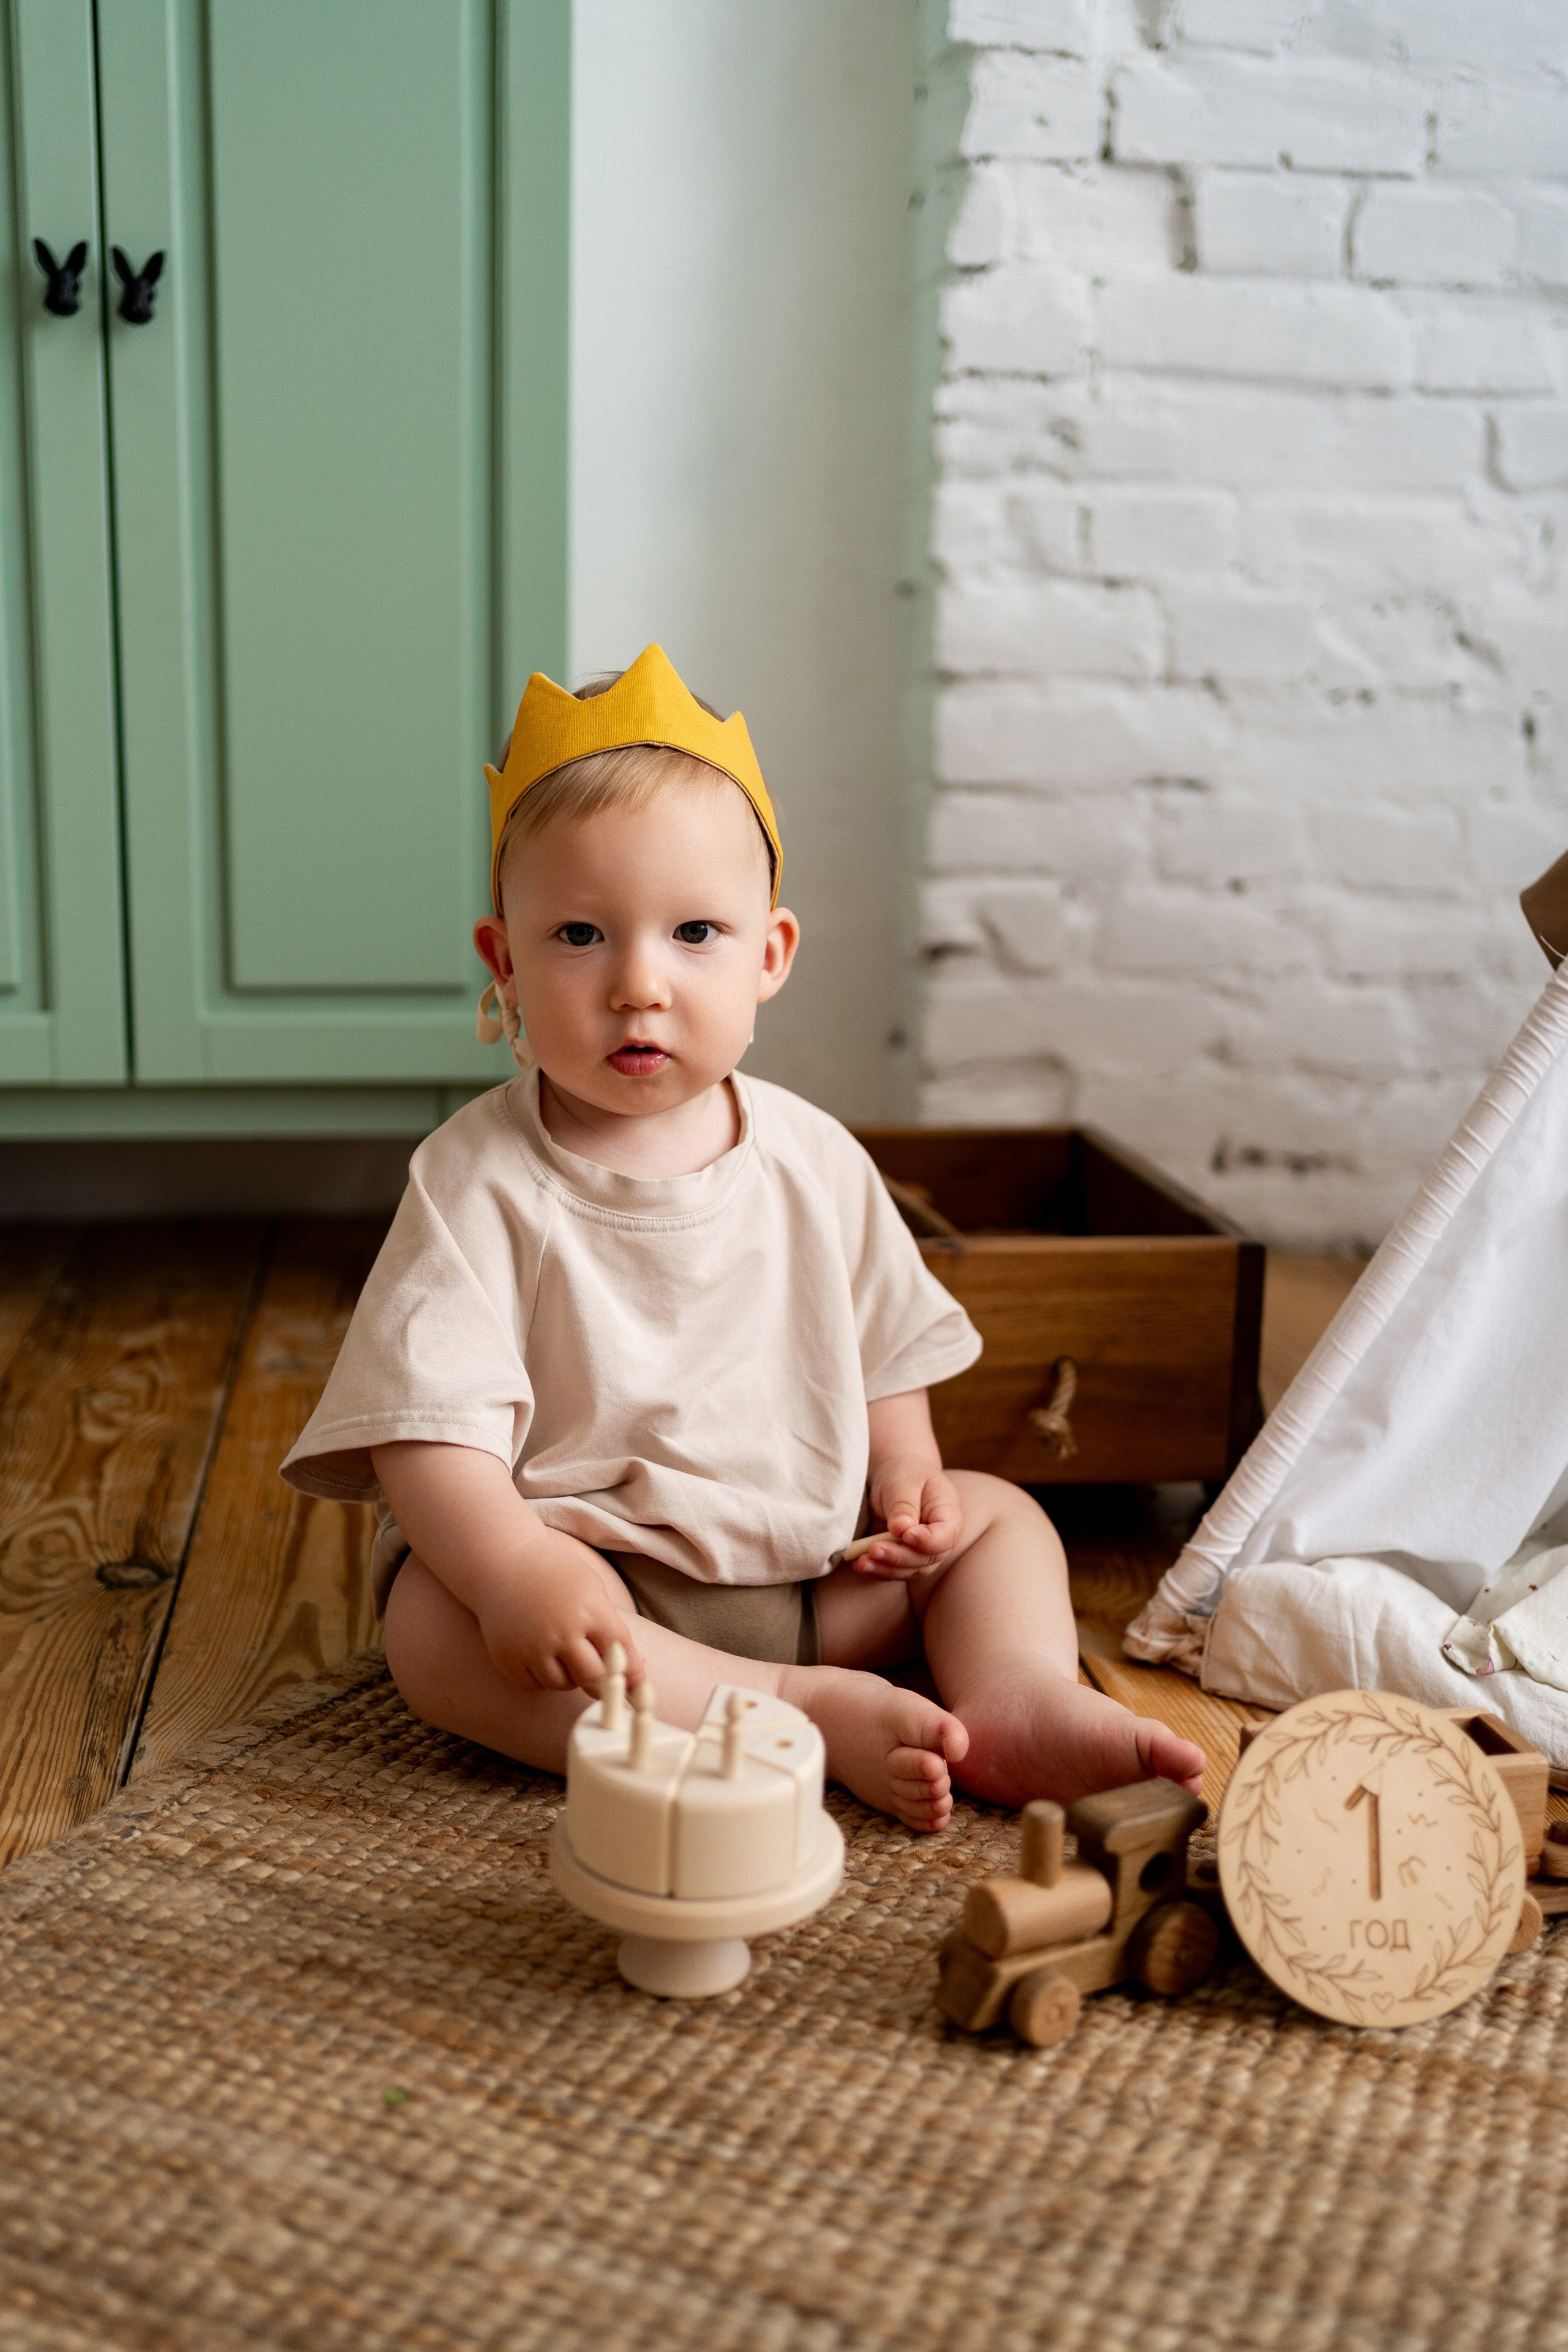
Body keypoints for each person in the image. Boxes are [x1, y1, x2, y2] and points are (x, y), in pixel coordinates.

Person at [282, 646, 1203, 1830]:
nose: (637, 985)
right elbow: (425, 1431)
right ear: (502, 963)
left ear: (769, 955)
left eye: (695, 933)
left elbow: (881, 1346)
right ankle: (789, 1712)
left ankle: (1013, 1696)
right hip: (596, 1592)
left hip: (812, 1571)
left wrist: (907, 1470)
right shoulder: (477, 1181)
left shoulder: (815, 1158)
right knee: (432, 1633)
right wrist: (516, 1569)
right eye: (578, 937)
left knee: (1002, 1520)